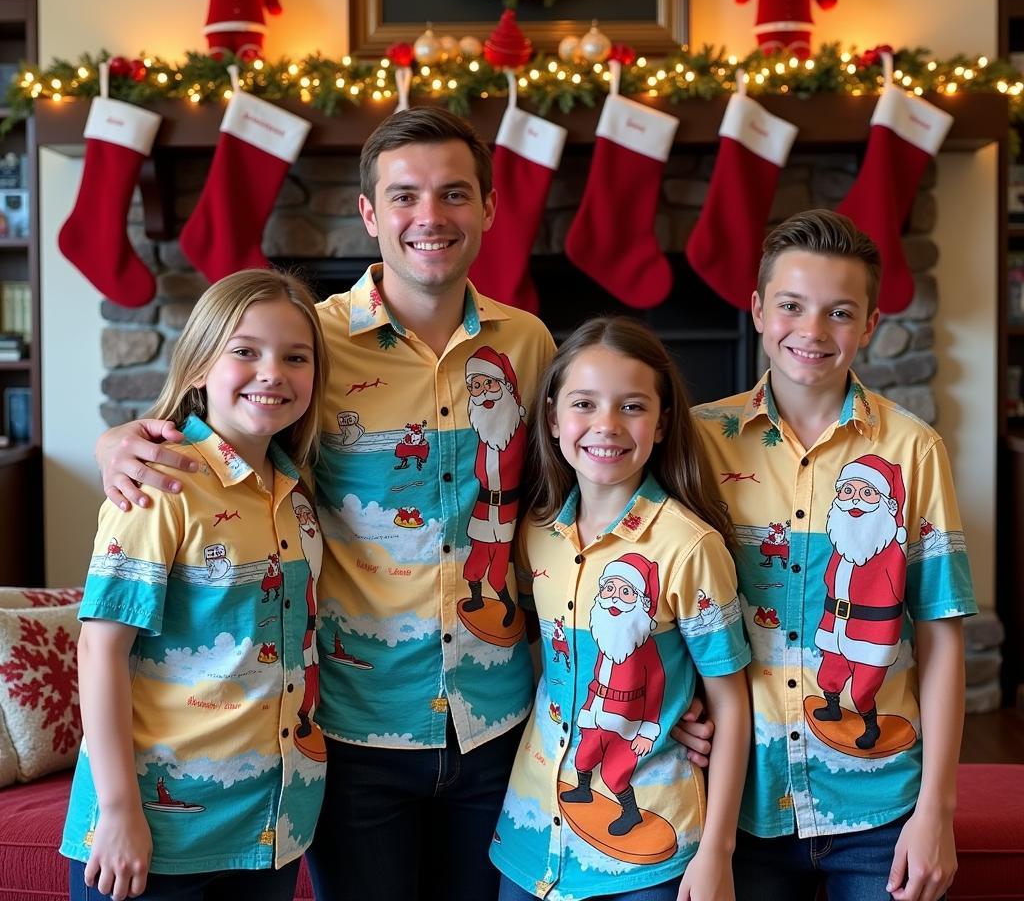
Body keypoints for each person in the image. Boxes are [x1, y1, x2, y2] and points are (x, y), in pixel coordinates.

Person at [94, 107, 714, 901]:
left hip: (502, 724)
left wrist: (675, 684)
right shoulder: (304, 344)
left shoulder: (528, 345)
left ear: (489, 209)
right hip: (353, 728)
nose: (431, 217)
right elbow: (218, 430)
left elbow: (587, 506)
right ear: (369, 213)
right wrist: (121, 439)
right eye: (405, 196)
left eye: (455, 194)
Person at [692, 210, 977, 901]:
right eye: (791, 306)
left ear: (870, 324)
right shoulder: (699, 443)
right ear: (758, 311)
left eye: (839, 313)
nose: (812, 332)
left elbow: (940, 639)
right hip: (739, 808)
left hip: (879, 807)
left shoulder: (914, 451)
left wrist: (936, 810)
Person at [61, 269, 331, 901]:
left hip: (270, 826)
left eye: (296, 357)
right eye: (246, 351)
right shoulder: (158, 486)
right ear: (198, 365)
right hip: (154, 834)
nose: (273, 373)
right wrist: (121, 809)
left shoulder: (297, 496)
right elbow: (101, 649)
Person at [492, 317, 751, 901]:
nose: (606, 426)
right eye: (585, 404)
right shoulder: (535, 533)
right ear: (554, 417)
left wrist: (718, 851)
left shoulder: (690, 547)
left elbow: (731, 703)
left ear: (661, 425)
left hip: (649, 858)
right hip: (532, 836)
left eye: (632, 407)